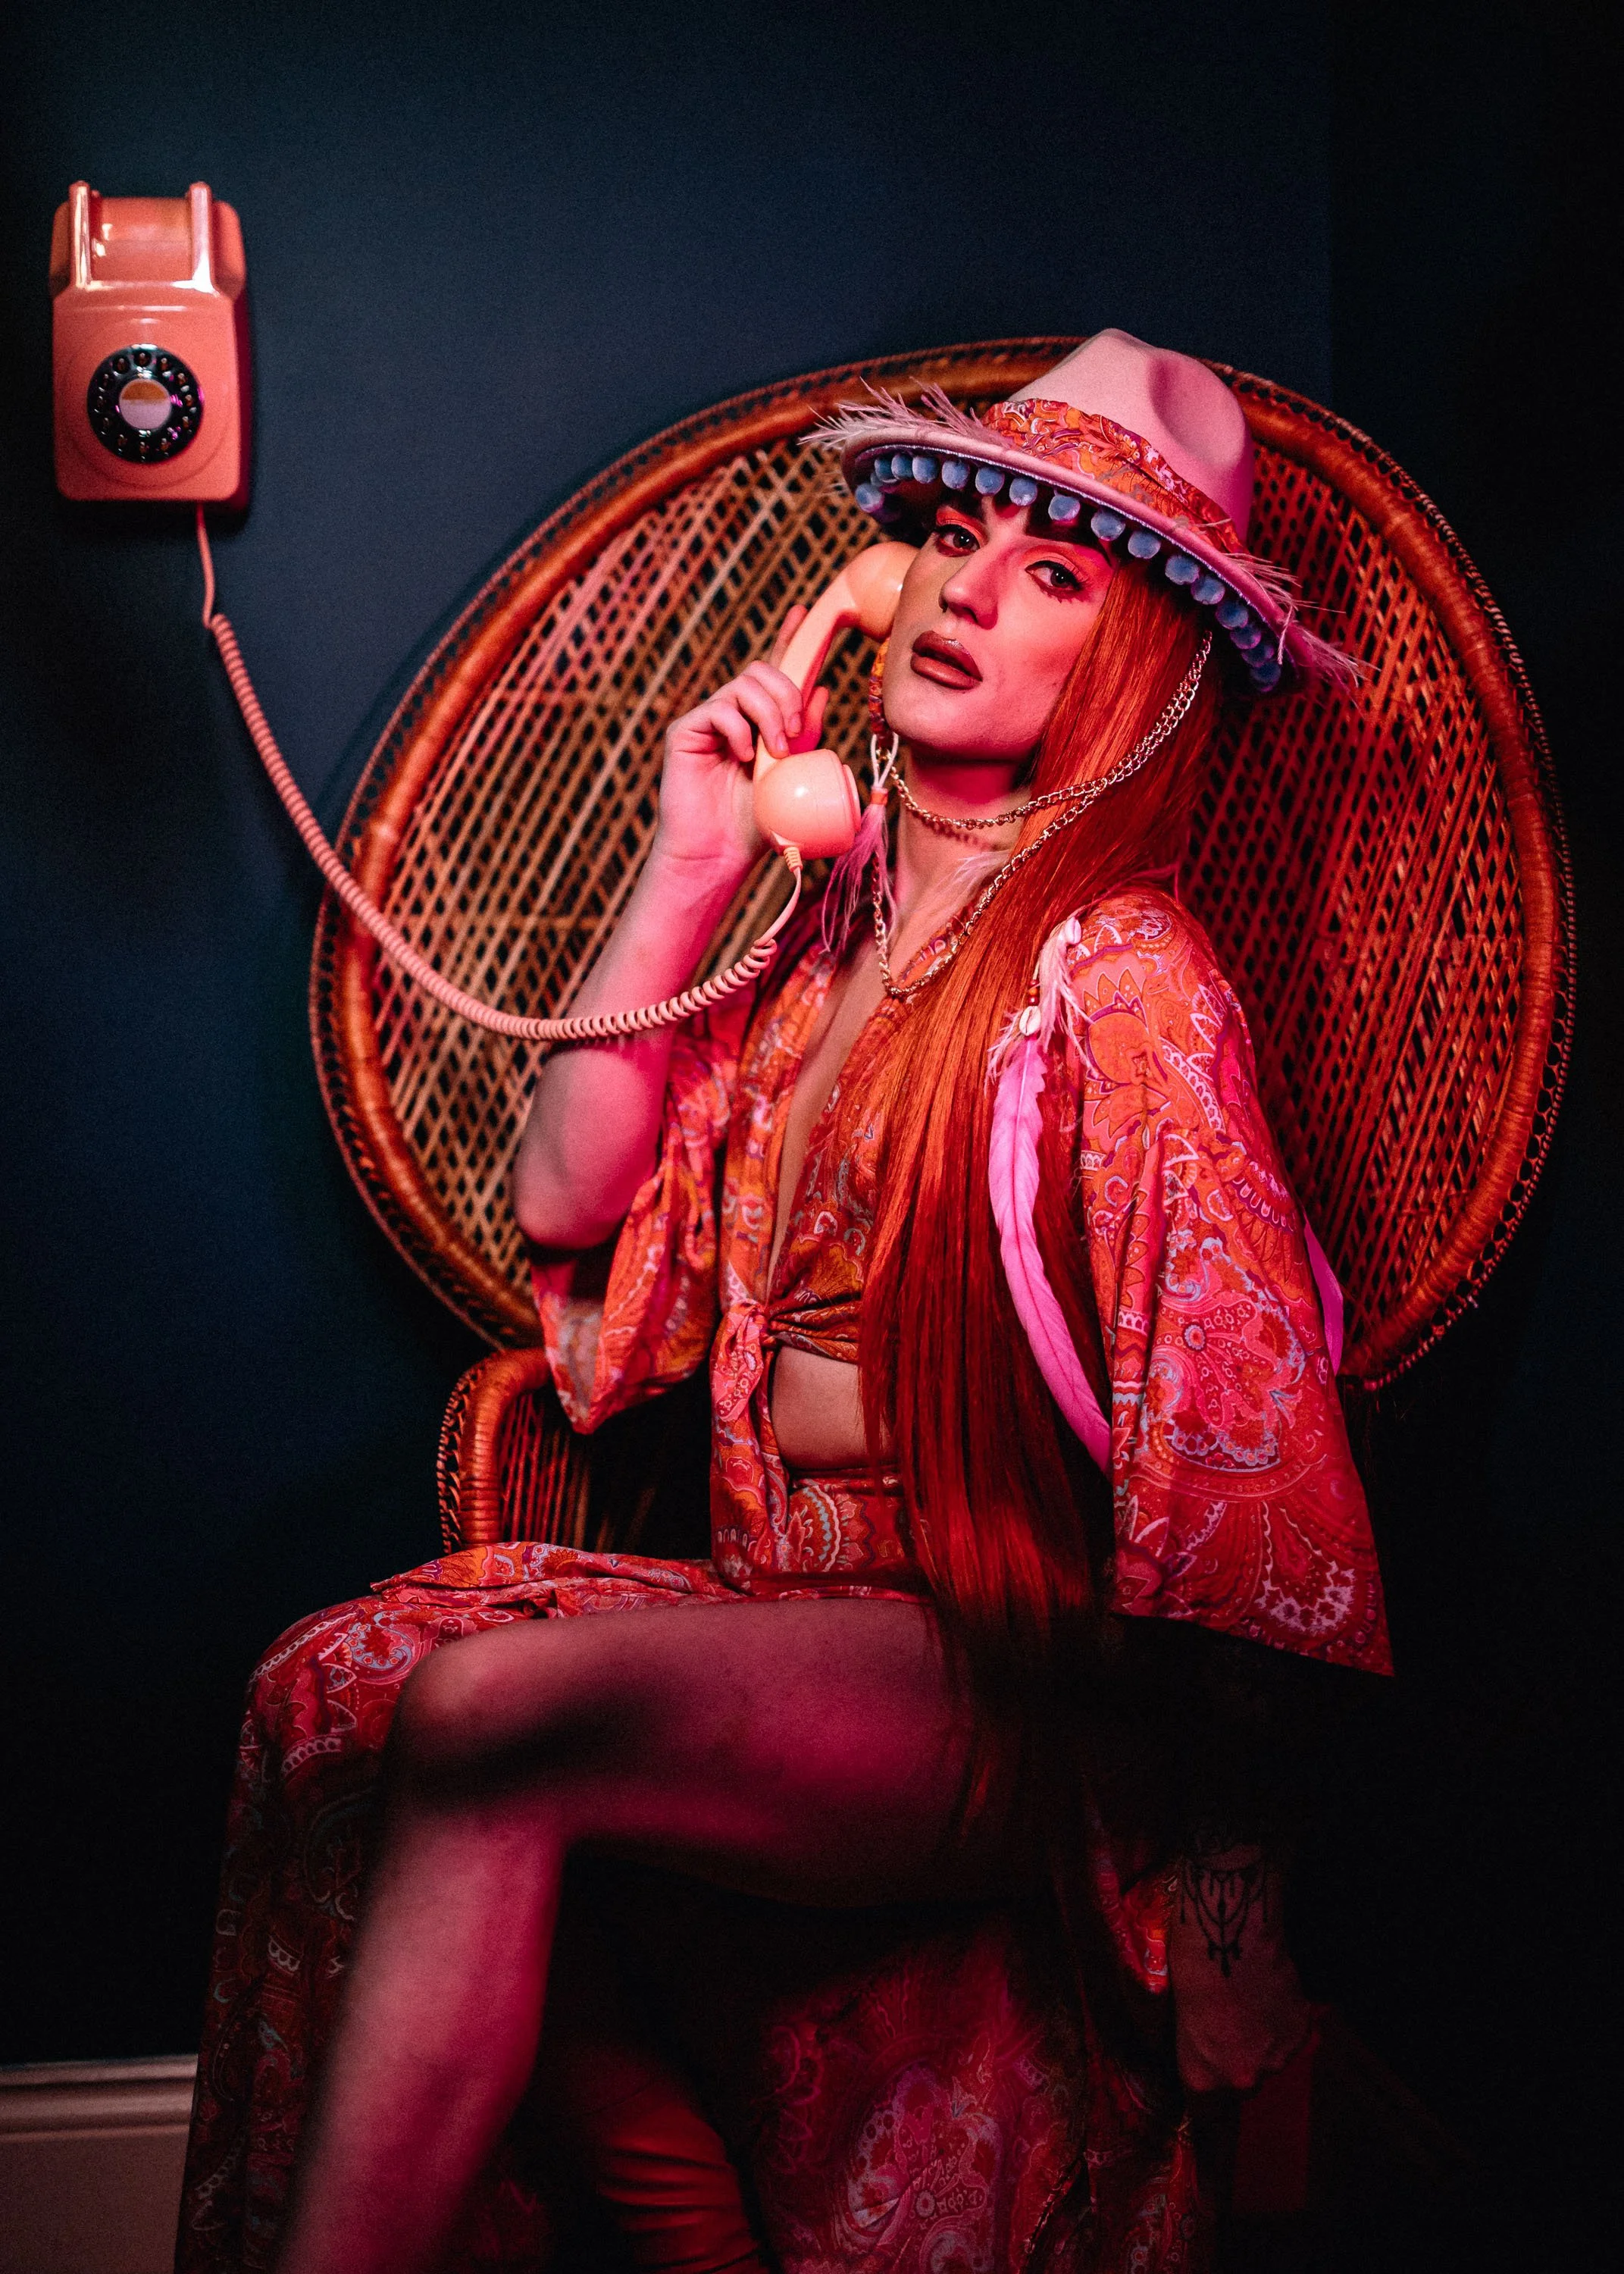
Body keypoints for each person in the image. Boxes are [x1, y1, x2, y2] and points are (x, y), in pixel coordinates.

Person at [177, 331, 1389, 2274]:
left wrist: (1234, 1899)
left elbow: (1252, 1486)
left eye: (1057, 571)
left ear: (1140, 662)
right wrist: (688, 862)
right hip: (794, 1615)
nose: (969, 590)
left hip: (1001, 1660)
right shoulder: (821, 945)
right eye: (953, 534)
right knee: (338, 1696)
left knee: (487, 1711)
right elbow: (563, 1197)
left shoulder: (1121, 985)